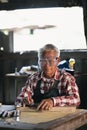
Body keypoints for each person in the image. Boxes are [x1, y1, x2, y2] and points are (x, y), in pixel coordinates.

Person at [15, 44, 80, 110]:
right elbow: (20, 98)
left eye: (50, 61)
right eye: (42, 61)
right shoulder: (33, 78)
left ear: (58, 60)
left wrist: (53, 101)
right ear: (38, 61)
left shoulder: (66, 78)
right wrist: (25, 100)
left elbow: (76, 99)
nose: (47, 66)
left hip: (61, 117)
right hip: (38, 117)